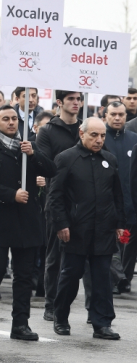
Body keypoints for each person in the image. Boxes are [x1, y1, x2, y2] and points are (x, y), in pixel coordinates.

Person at [0, 105, 56, 340]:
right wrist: (12, 194)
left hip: (27, 219)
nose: (11, 123)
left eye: (14, 119)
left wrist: (34, 154)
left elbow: (51, 169)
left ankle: (20, 324)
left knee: (23, 275)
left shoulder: (28, 146)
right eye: (6, 119)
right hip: (0, 219)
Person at [48, 118, 126, 340]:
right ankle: (60, 316)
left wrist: (119, 223)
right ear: (81, 134)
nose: (99, 140)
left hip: (103, 230)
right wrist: (61, 223)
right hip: (76, 229)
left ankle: (102, 323)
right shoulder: (66, 158)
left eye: (102, 136)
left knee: (102, 279)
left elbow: (117, 196)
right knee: (70, 277)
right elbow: (55, 196)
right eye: (94, 135)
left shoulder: (109, 160)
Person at [36, 90, 81, 321]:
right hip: (57, 201)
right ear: (60, 103)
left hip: (84, 203)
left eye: (79, 99)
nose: (76, 103)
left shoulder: (86, 128)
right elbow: (43, 164)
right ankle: (51, 304)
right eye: (71, 99)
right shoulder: (47, 131)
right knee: (55, 257)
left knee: (84, 259)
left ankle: (88, 307)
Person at [97, 102, 137, 294]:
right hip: (106, 200)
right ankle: (113, 278)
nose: (117, 118)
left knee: (128, 243)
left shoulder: (133, 139)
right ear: (106, 116)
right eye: (113, 114)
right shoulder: (99, 139)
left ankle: (125, 278)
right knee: (110, 242)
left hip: (130, 200)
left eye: (121, 114)